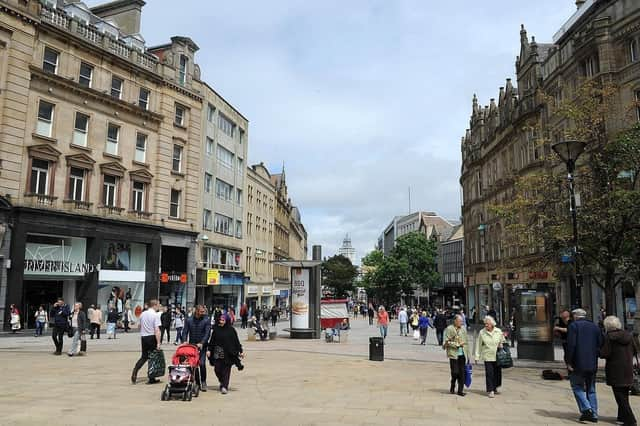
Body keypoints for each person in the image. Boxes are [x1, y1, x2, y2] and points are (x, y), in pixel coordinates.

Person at [599, 315, 639, 426]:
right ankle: (621, 417)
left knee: (620, 397)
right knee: (624, 394)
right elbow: (635, 351)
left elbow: (604, 353)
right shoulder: (628, 335)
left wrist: (598, 351)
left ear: (607, 326)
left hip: (615, 370)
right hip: (628, 368)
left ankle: (631, 421)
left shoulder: (609, 337)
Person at [566, 308, 603, 423]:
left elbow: (571, 345)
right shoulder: (595, 327)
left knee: (577, 386)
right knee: (591, 389)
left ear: (575, 316)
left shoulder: (574, 326)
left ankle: (587, 410)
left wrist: (569, 361)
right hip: (592, 363)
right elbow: (600, 343)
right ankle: (594, 414)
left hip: (578, 362)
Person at [207, 314, 244, 394]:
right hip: (218, 351)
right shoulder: (216, 329)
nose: (221, 321)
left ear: (227, 321)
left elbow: (236, 342)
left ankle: (224, 386)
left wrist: (240, 351)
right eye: (220, 320)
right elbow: (212, 341)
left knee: (226, 370)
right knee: (217, 369)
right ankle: (222, 381)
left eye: (223, 320)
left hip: (228, 352)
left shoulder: (231, 330)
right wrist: (209, 350)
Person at [131, 299, 161, 385]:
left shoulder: (143, 314)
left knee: (144, 356)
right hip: (152, 337)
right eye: (158, 305)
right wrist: (158, 343)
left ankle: (135, 370)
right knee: (152, 357)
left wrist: (143, 332)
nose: (159, 306)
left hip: (144, 337)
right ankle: (151, 378)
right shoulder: (155, 315)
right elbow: (157, 330)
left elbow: (139, 326)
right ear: (154, 305)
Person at [181, 305, 211, 391]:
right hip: (192, 346)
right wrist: (184, 341)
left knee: (201, 364)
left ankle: (203, 381)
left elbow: (207, 333)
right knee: (194, 365)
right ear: (197, 311)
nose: (203, 313)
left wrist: (202, 343)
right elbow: (185, 331)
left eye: (204, 311)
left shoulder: (206, 320)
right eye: (201, 311)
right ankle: (197, 383)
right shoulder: (189, 320)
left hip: (202, 346)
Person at [475, 316, 505, 398]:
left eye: (487, 324)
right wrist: (477, 356)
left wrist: (501, 343)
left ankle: (495, 387)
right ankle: (490, 390)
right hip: (487, 355)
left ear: (492, 324)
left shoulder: (498, 331)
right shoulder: (482, 332)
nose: (486, 325)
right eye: (485, 324)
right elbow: (478, 345)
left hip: (497, 355)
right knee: (489, 373)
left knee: (497, 373)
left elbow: (503, 340)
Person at [443, 314, 469, 396]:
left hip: (462, 354)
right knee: (455, 372)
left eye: (461, 321)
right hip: (453, 354)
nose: (461, 323)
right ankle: (452, 385)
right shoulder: (449, 329)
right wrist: (455, 345)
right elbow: (446, 342)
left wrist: (468, 355)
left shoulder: (463, 329)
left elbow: (466, 342)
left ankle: (460, 390)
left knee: (462, 373)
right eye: (459, 321)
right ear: (455, 321)